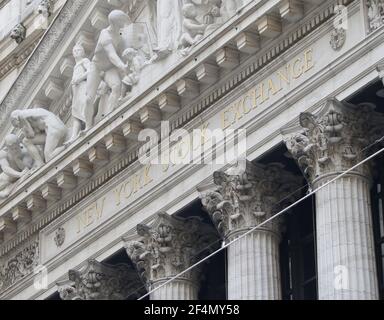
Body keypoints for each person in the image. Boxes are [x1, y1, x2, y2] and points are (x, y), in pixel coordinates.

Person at [85, 10, 130, 125]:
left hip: (109, 69)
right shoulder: (105, 34)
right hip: (96, 67)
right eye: (121, 21)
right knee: (89, 99)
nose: (123, 24)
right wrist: (122, 66)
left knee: (116, 86)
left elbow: (121, 52)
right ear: (115, 22)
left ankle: (109, 115)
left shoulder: (119, 35)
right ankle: (87, 127)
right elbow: (112, 55)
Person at [68, 43, 91, 142]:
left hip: (82, 87)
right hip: (76, 91)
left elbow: (90, 71)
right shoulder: (75, 66)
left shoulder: (84, 61)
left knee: (83, 105)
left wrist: (79, 79)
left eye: (79, 50)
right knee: (75, 112)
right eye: (75, 51)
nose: (77, 52)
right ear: (73, 54)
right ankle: (74, 136)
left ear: (83, 52)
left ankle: (88, 125)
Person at [0, 134, 33, 199]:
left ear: (19, 144)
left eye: (16, 148)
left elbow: (26, 167)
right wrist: (19, 174)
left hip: (16, 177)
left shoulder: (24, 151)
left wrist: (17, 159)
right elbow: (5, 168)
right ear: (7, 147)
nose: (15, 150)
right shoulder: (3, 153)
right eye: (12, 149)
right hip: (6, 177)